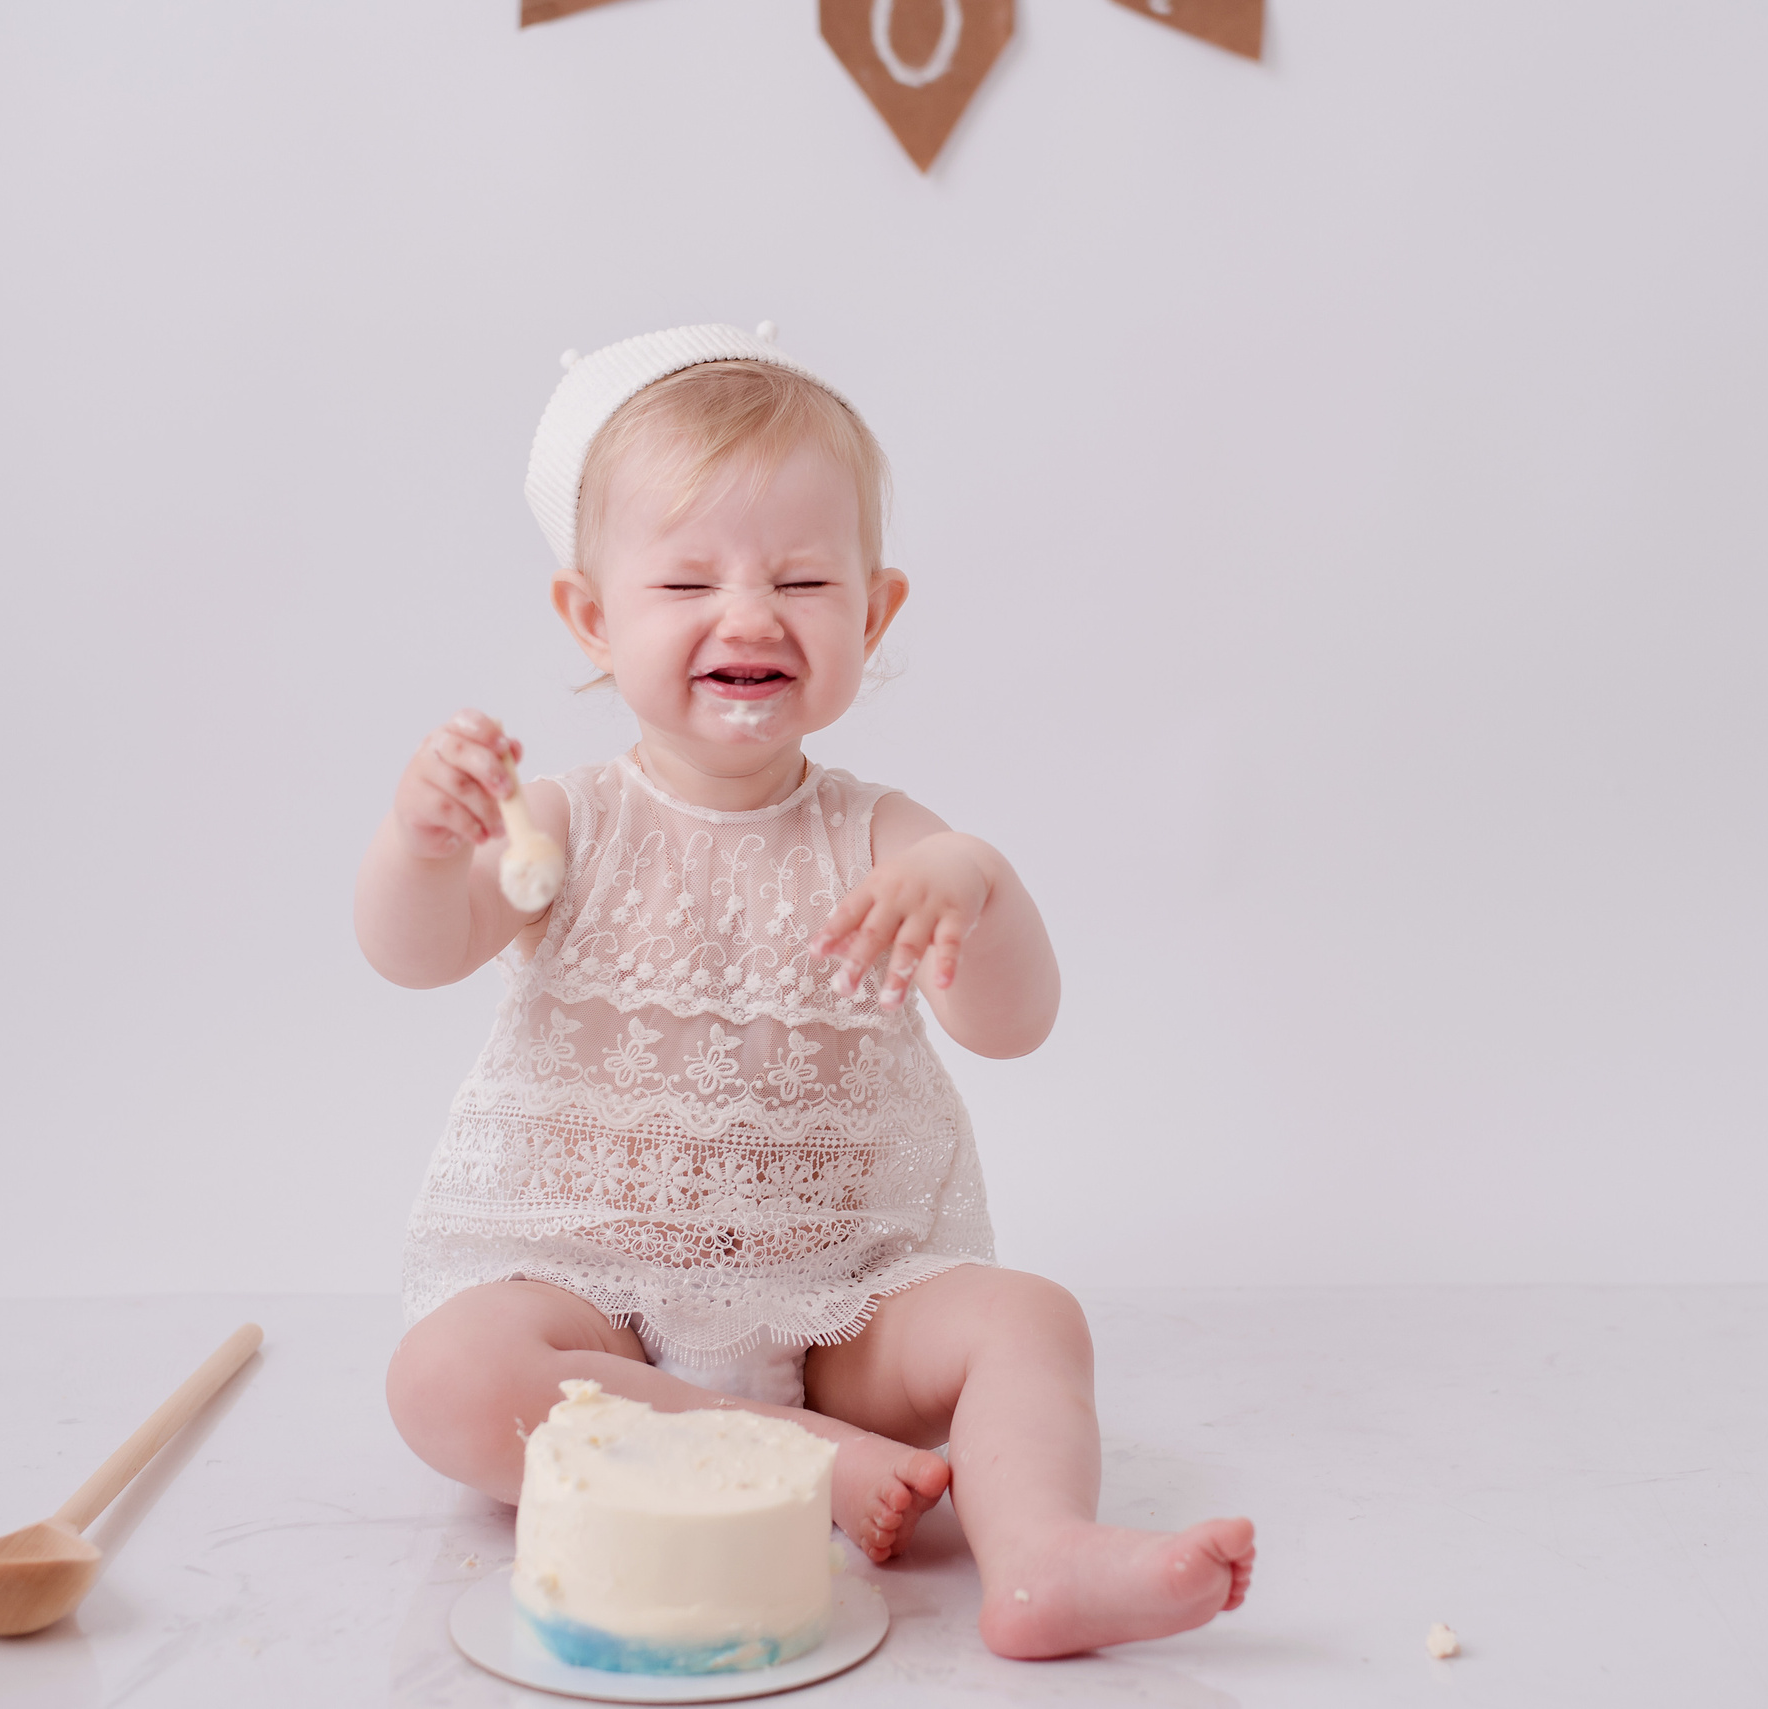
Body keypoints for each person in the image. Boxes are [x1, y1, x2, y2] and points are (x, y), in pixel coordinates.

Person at [356, 324, 1252, 1658]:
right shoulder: (565, 823)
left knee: (1029, 1317)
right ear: (594, 616)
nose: (750, 613)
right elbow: (413, 947)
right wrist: (420, 849)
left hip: (844, 1297)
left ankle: (1043, 1554)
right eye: (685, 580)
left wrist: (981, 891)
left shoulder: (886, 839)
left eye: (801, 577)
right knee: (443, 1377)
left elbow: (1015, 1026)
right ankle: (799, 1456)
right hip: (596, 1300)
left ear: (874, 613)